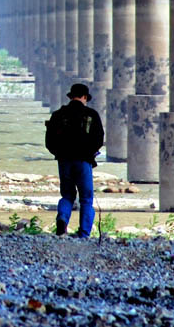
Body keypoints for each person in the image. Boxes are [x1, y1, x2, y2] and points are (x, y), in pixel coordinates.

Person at [48, 83, 104, 238]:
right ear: (85, 97)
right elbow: (99, 139)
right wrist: (90, 153)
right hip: (84, 161)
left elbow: (49, 141)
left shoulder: (58, 114)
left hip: (64, 161)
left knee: (67, 195)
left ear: (71, 96)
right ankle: (84, 233)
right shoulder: (92, 115)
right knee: (86, 198)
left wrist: (59, 153)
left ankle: (62, 219)